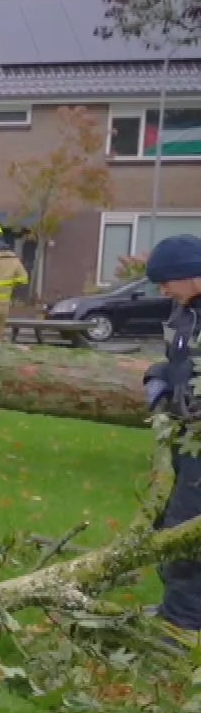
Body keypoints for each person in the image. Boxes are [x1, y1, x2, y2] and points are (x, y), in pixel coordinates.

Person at [138, 236, 201, 654]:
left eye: (167, 282)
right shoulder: (183, 312)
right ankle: (176, 612)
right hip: (186, 437)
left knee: (185, 532)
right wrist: (156, 378)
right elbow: (176, 361)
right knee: (172, 522)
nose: (163, 291)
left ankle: (181, 627)